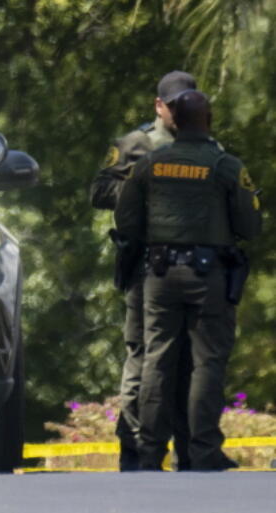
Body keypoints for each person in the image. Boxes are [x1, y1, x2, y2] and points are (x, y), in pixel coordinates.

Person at [114, 90, 262, 471]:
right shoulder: (226, 166)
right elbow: (250, 225)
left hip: (159, 274)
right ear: (209, 120)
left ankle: (148, 453)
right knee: (206, 362)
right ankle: (202, 452)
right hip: (208, 275)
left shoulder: (149, 163)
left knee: (157, 360)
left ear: (174, 121)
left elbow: (126, 219)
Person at [90, 70, 196, 471]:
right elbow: (99, 192)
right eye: (174, 104)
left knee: (191, 360)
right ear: (159, 106)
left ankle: (192, 449)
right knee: (143, 356)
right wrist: (146, 185)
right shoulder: (138, 143)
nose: (180, 110)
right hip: (147, 268)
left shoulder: (205, 145)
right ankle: (135, 446)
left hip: (195, 271)